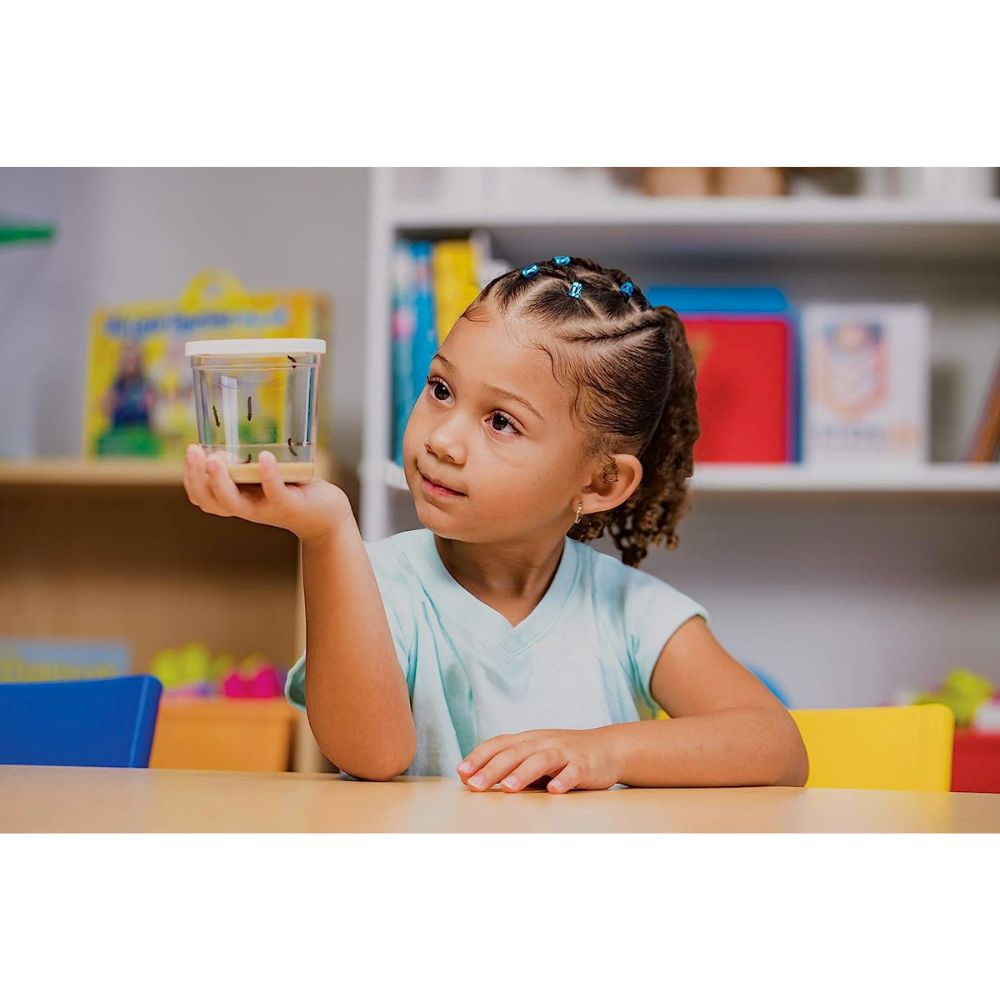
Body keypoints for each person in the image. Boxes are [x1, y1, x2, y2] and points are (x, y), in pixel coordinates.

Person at [183, 256, 807, 792]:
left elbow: (778, 746)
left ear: (600, 484)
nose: (442, 440)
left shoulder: (631, 613)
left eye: (501, 422)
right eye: (441, 389)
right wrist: (327, 533)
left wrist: (605, 751)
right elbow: (372, 757)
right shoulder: (371, 582)